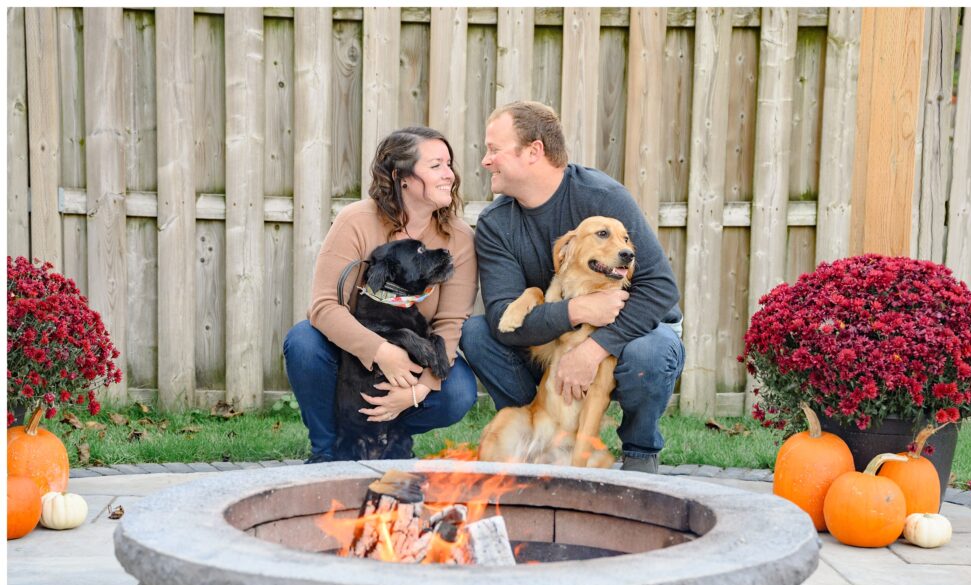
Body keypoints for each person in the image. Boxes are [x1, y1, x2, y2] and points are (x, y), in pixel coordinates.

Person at [461, 101, 684, 473]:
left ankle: (640, 455)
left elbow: (660, 290)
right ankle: (540, 440)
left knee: (654, 351)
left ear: (534, 151)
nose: (486, 160)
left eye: (494, 150)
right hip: (553, 339)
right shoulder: (495, 223)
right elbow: (503, 317)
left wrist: (594, 349)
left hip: (633, 331)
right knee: (477, 332)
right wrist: (576, 311)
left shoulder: (602, 198)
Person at [284, 127, 478, 463]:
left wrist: (418, 391)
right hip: (353, 358)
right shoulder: (356, 221)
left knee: (459, 390)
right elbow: (324, 308)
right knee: (303, 341)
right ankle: (328, 451)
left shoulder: (458, 237)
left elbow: (449, 322)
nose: (449, 174)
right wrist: (381, 352)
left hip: (415, 356)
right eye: (436, 166)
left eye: (449, 164)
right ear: (401, 177)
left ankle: (391, 436)